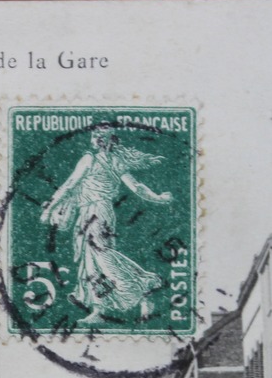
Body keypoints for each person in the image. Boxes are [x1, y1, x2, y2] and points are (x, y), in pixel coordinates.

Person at [39, 127, 175, 325]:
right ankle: (99, 310)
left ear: (106, 140)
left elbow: (69, 185)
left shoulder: (89, 159)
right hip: (98, 212)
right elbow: (137, 188)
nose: (94, 139)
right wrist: (159, 198)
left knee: (101, 256)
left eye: (97, 136)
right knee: (92, 261)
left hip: (95, 212)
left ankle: (145, 284)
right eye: (94, 135)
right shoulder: (117, 162)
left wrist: (49, 209)